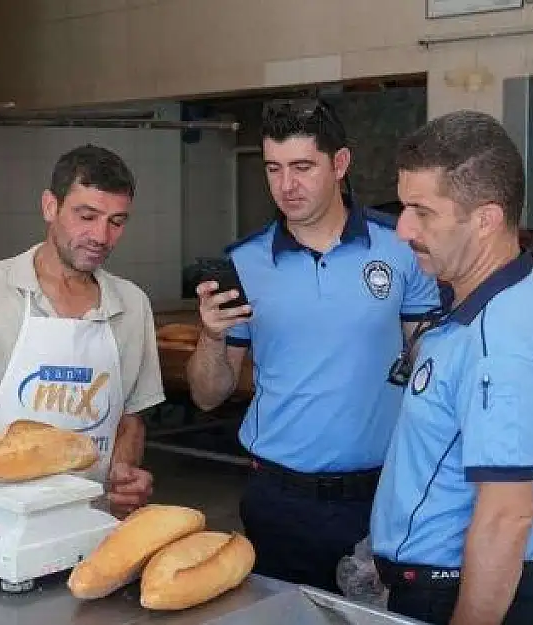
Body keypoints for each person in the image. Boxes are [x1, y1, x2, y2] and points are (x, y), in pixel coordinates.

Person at [185, 97, 442, 593]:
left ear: (339, 164)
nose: (287, 185)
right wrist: (212, 336)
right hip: (278, 499)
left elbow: (426, 371)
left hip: (379, 495)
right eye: (274, 169)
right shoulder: (246, 261)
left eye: (302, 167)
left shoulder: (401, 248)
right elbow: (207, 396)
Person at [370, 110, 533, 625]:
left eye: (422, 212)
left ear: (485, 219)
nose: (402, 229)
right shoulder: (484, 305)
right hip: (437, 582)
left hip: (461, 597)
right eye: (402, 206)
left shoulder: (501, 339)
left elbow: (506, 515)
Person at [0, 144, 166, 518]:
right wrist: (3, 479)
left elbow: (130, 420)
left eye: (116, 222)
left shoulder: (132, 304)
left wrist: (123, 473)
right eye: (86, 216)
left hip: (92, 516)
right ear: (49, 207)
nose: (101, 237)